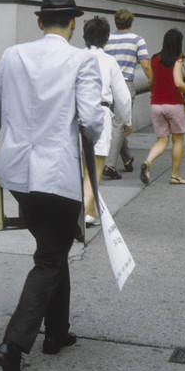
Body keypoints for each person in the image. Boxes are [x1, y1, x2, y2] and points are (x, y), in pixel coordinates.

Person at [0, 0, 105, 371]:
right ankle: (14, 345)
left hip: (16, 173)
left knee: (53, 246)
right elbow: (93, 121)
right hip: (57, 174)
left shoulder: (12, 56)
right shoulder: (82, 60)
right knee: (50, 256)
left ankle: (57, 332)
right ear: (73, 23)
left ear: (40, 21)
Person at [81, 16, 132, 225]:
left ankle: (90, 211)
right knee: (96, 167)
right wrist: (128, 120)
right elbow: (123, 96)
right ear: (106, 39)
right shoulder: (109, 61)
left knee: (82, 166)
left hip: (76, 113)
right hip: (100, 113)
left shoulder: (76, 57)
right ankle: (84, 212)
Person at [138, 28, 185, 186]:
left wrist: (153, 94)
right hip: (174, 105)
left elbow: (151, 82)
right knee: (178, 140)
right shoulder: (177, 60)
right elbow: (178, 82)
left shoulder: (154, 59)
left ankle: (148, 162)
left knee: (161, 141)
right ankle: (174, 176)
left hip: (156, 105)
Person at [104, 9, 152, 172]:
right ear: (131, 22)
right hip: (125, 84)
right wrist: (152, 81)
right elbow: (145, 65)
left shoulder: (107, 39)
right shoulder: (137, 40)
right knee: (120, 123)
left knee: (116, 123)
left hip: (108, 85)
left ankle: (127, 158)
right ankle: (110, 165)